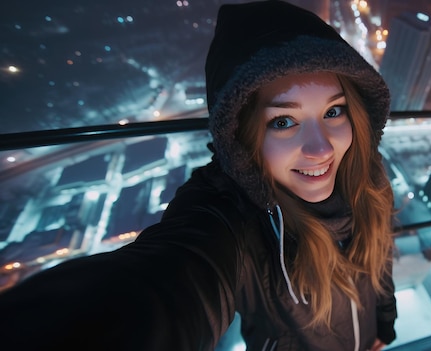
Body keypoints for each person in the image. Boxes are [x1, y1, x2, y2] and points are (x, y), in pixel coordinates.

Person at [0, 1, 397, 350]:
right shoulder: (236, 216)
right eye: (284, 121)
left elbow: (381, 263)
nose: (322, 148)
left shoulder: (367, 177)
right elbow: (169, 283)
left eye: (333, 111)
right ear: (242, 135)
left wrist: (384, 327)